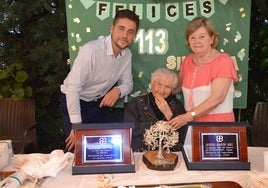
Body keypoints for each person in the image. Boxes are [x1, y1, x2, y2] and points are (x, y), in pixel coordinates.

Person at [60, 9, 140, 151]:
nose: (125, 35)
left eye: (130, 31)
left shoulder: (127, 55)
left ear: (134, 35)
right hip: (74, 100)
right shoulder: (91, 50)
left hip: (98, 105)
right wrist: (77, 125)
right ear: (111, 28)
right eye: (121, 29)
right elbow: (72, 88)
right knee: (77, 151)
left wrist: (117, 90)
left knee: (100, 150)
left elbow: (128, 84)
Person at [168, 17, 238, 130]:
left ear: (212, 38)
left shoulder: (223, 61)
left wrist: (187, 117)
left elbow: (217, 98)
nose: (196, 42)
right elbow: (176, 88)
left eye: (202, 36)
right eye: (192, 37)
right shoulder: (187, 61)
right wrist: (157, 90)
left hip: (218, 127)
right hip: (191, 126)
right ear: (188, 41)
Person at [124, 68, 186, 152]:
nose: (162, 90)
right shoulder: (136, 103)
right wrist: (157, 124)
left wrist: (169, 114)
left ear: (172, 89)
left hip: (169, 154)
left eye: (167, 87)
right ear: (152, 84)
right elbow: (129, 130)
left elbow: (183, 135)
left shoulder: (177, 105)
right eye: (159, 84)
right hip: (141, 153)